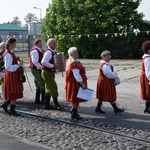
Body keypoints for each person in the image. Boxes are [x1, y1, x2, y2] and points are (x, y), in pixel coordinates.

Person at [2, 37, 23, 115]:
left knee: (15, 92)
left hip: (13, 74)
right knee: (13, 92)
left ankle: (6, 105)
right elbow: (8, 67)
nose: (15, 45)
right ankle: (12, 110)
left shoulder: (11, 52)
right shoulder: (8, 55)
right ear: (10, 44)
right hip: (11, 75)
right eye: (14, 44)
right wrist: (18, 65)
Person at [65, 47, 87, 120]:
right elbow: (76, 75)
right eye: (76, 52)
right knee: (75, 97)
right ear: (73, 54)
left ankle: (74, 111)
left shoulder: (71, 61)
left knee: (76, 97)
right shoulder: (73, 63)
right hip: (74, 82)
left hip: (73, 82)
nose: (78, 54)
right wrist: (82, 83)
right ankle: (74, 113)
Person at [41, 38, 63, 110]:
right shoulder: (48, 52)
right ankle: (56, 104)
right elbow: (43, 62)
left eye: (55, 43)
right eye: (53, 43)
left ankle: (46, 104)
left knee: (48, 87)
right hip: (47, 72)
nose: (55, 45)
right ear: (49, 44)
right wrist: (53, 66)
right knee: (53, 86)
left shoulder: (51, 52)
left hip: (48, 71)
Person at [29, 39, 45, 104]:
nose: (41, 45)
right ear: (36, 44)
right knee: (42, 83)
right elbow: (35, 61)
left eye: (41, 44)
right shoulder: (35, 51)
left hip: (36, 68)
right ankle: (44, 100)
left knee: (38, 83)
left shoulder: (38, 50)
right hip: (35, 68)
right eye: (40, 44)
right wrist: (41, 67)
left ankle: (37, 99)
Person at [140, 40, 150, 114]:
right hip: (147, 77)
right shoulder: (147, 59)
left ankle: (147, 108)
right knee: (148, 93)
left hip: (146, 76)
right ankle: (148, 108)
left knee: (148, 94)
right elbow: (148, 71)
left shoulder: (147, 58)